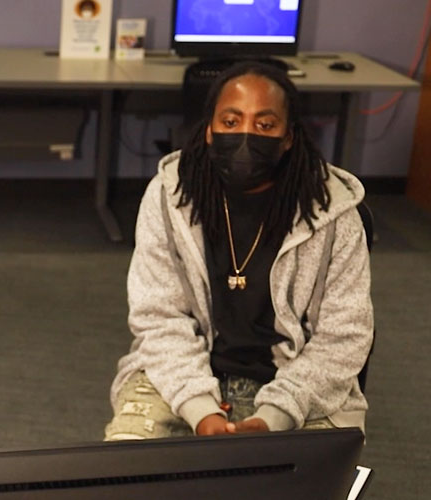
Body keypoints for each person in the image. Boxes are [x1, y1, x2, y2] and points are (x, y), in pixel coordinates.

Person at [104, 62, 374, 440]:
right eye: (231, 122)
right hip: (181, 374)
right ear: (210, 131)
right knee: (124, 476)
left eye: (265, 125)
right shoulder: (170, 196)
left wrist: (275, 414)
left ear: (289, 137)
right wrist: (200, 409)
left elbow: (345, 337)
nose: (246, 135)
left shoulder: (334, 212)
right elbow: (158, 317)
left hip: (295, 382)